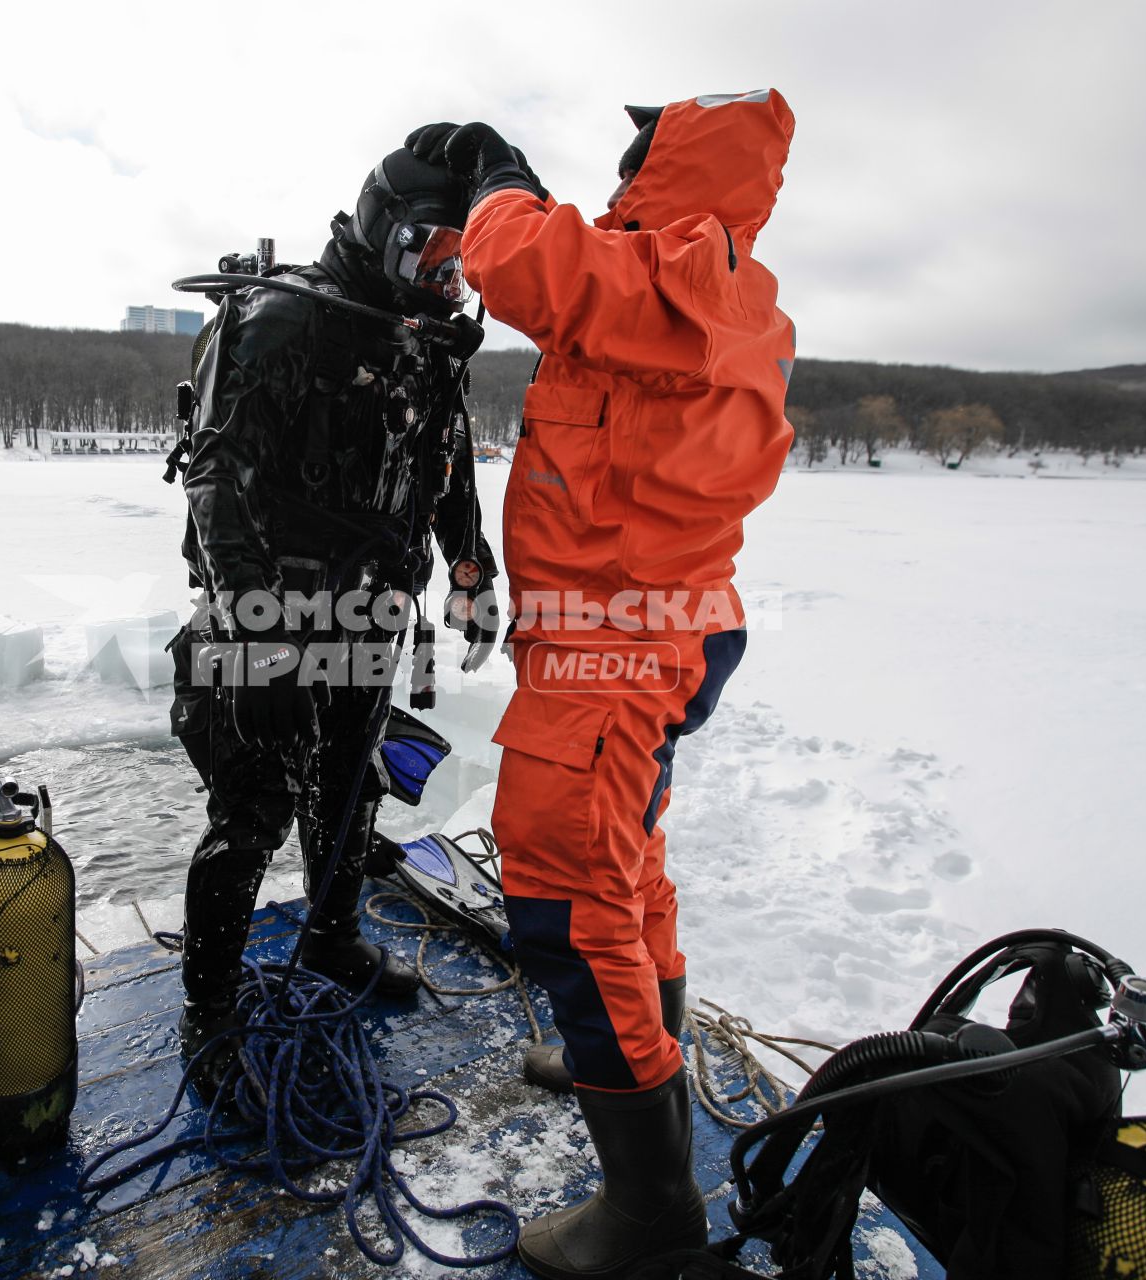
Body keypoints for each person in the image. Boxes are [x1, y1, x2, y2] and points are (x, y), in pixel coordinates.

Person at [409, 92, 798, 1279]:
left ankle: (648, 1206)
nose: (623, 171)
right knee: (627, 859)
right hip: (666, 623)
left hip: (618, 645)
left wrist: (489, 180)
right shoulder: (724, 294)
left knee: (568, 892)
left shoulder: (678, 278)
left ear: (675, 168)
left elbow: (530, 260)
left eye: (642, 155)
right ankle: (642, 1050)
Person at [169, 144, 497, 1074]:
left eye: (462, 256)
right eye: (436, 250)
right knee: (254, 803)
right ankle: (213, 1002)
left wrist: (471, 568)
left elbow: (448, 467)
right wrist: (254, 630)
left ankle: (330, 934)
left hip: (373, 609)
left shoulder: (429, 343)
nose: (450, 272)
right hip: (270, 610)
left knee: (351, 785)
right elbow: (217, 483)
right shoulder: (284, 320)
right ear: (390, 236)